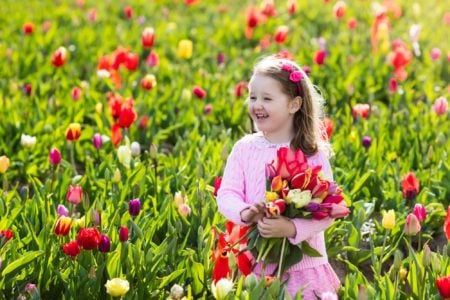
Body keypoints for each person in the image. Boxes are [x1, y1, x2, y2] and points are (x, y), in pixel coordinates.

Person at [216, 55, 340, 299]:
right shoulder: (245, 149)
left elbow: (328, 211)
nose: (257, 105)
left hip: (303, 268)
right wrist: (246, 212)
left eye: (267, 98)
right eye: (252, 97)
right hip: (255, 263)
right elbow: (227, 194)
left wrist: (292, 227)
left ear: (294, 104)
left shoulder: (311, 154)